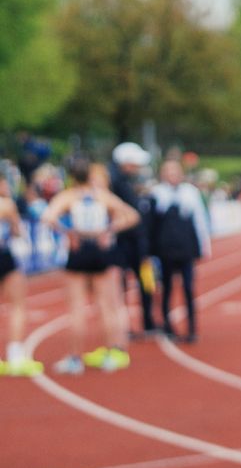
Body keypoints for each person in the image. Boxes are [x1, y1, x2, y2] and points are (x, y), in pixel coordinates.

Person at [44, 160, 141, 374]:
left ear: (71, 176)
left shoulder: (68, 196)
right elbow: (133, 215)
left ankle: (75, 359)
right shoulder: (102, 195)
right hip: (99, 249)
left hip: (78, 249)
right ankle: (111, 354)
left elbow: (48, 217)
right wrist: (109, 230)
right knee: (106, 306)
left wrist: (68, 233)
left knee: (76, 309)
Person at [148, 157, 212, 343]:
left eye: (175, 171)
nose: (172, 175)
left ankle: (191, 327)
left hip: (185, 247)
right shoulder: (157, 193)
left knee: (188, 287)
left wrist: (204, 245)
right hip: (165, 249)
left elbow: (200, 219)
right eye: (168, 171)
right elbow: (151, 223)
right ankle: (167, 326)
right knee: (166, 288)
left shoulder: (190, 193)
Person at [109, 142, 158, 338]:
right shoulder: (117, 183)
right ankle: (125, 324)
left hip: (137, 243)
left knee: (146, 282)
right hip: (125, 243)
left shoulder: (127, 182)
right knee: (122, 285)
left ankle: (146, 321)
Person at [0, 176, 41, 376]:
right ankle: (15, 356)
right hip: (4, 256)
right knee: (17, 305)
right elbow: (17, 231)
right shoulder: (6, 204)